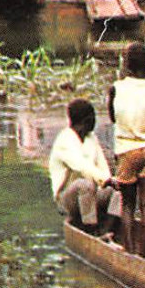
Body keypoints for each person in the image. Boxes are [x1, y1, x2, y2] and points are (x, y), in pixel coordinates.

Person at [107, 42, 145, 256]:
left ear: (127, 65)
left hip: (127, 151)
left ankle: (130, 253)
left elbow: (114, 118)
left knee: (128, 205)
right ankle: (143, 255)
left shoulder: (116, 88)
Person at [49, 99, 120, 236]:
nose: (95, 120)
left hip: (92, 193)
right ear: (86, 120)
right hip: (68, 199)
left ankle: (107, 230)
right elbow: (82, 166)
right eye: (93, 117)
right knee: (85, 184)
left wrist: (111, 181)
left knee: (119, 190)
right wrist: (104, 180)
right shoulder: (64, 140)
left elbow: (102, 166)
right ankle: (91, 230)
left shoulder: (91, 138)